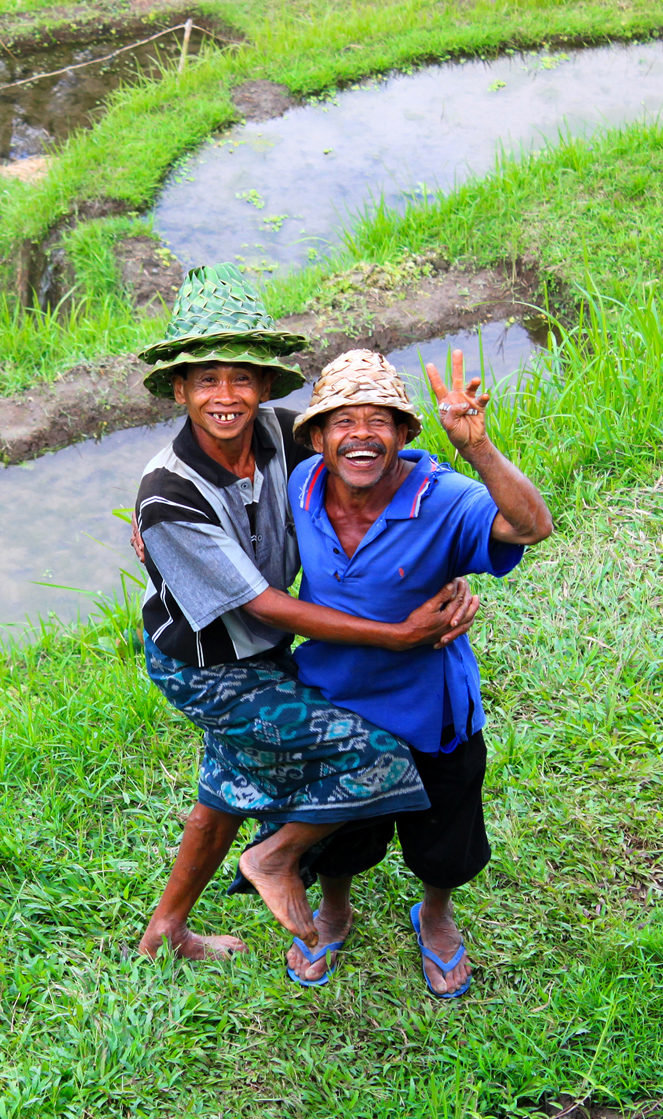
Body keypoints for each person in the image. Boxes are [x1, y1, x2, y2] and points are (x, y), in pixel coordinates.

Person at [129, 264, 481, 962]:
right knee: (376, 757)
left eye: (241, 378)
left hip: (264, 650)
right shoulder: (167, 495)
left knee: (224, 788)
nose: (225, 396)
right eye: (205, 379)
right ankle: (275, 857)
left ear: (265, 385)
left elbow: (375, 462)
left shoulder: (286, 434)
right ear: (180, 388)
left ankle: (165, 933)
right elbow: (263, 604)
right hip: (208, 666)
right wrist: (400, 632)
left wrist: (448, 549)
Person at [277, 347, 552, 998]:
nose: (361, 434)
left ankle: (435, 913)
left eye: (380, 419)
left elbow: (531, 525)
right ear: (317, 438)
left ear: (403, 434)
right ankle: (336, 909)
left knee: (443, 838)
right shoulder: (301, 486)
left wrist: (479, 449)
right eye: (343, 421)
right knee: (337, 833)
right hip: (333, 705)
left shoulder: (443, 498)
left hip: (431, 712)